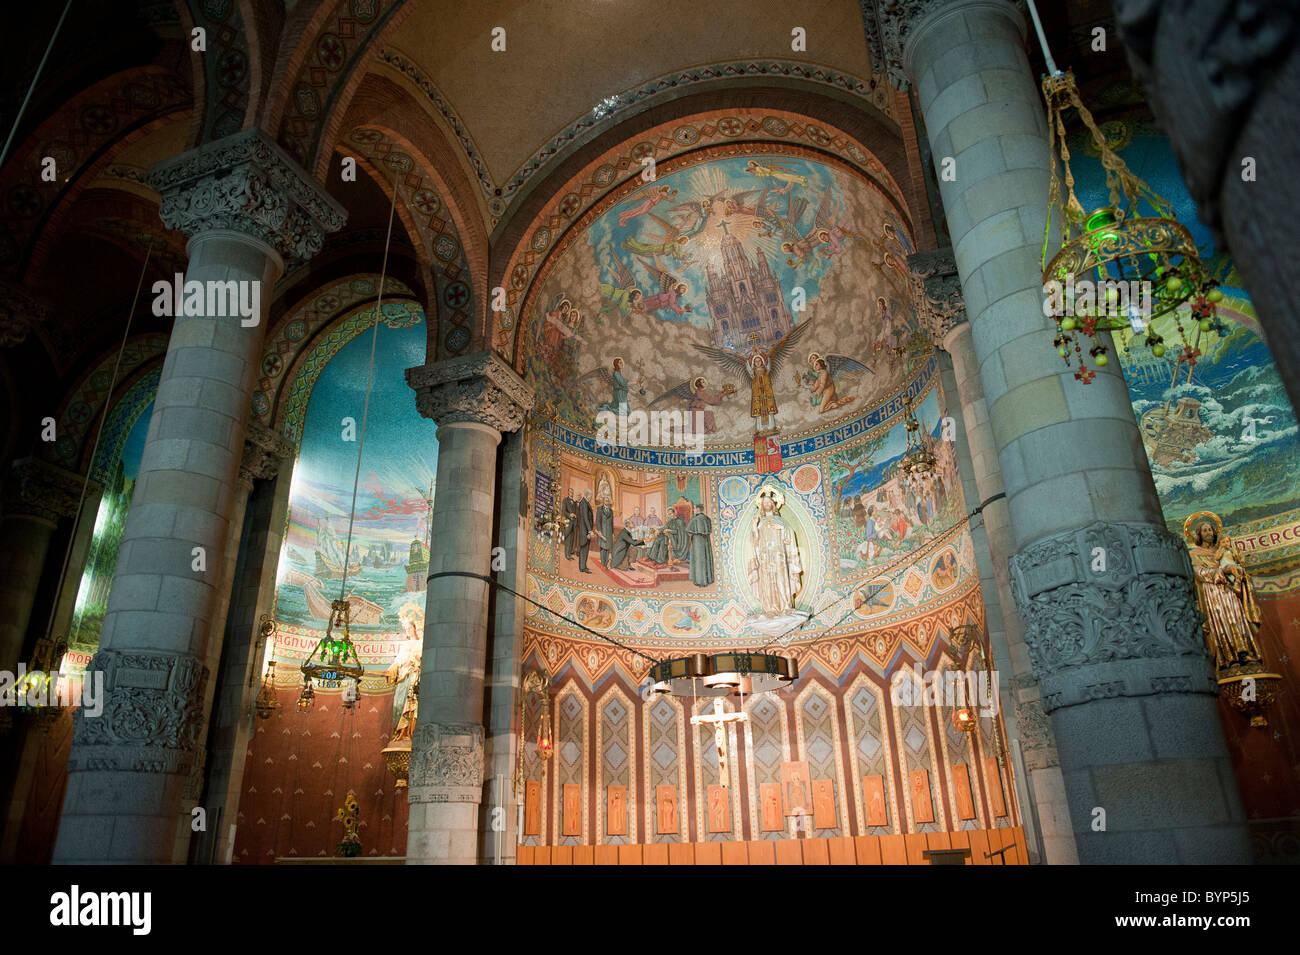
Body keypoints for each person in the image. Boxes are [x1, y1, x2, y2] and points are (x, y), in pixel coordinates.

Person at [1184, 511, 1265, 670]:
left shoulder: (1223, 550)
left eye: (1211, 529)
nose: (1209, 532)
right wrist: (1224, 571)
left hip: (1230, 592)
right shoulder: (1194, 554)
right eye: (1205, 530)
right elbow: (1200, 574)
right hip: (1213, 594)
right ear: (1198, 534)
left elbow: (1237, 567)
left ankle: (1245, 653)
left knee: (1237, 620)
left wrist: (1238, 571)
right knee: (1222, 623)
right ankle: (1229, 657)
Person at [748, 487, 801, 615]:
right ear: (762, 506)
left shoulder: (781, 521)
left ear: (773, 505)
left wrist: (781, 528)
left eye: (769, 502)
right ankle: (769, 608)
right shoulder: (760, 523)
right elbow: (754, 541)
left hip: (779, 556)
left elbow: (789, 536)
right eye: (764, 503)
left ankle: (785, 605)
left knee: (781, 579)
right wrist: (754, 526)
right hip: (765, 557)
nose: (766, 504)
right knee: (767, 581)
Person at [686, 501, 715, 586]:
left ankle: (700, 581)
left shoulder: (695, 519)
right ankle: (708, 579)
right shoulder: (707, 518)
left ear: (698, 509)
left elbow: (688, 531)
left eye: (694, 508)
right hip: (706, 542)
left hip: (697, 542)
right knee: (706, 558)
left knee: (699, 560)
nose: (693, 510)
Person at [575, 489, 595, 573]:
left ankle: (583, 566)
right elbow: (585, 518)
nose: (591, 497)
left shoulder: (585, 503)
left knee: (585, 548)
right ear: (587, 495)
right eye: (591, 495)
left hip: (585, 529)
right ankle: (582, 567)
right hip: (584, 530)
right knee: (584, 548)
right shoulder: (584, 503)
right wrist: (590, 530)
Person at [595, 496, 614, 568]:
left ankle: (605, 563)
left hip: (609, 532)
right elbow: (597, 521)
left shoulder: (611, 511)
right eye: (605, 500)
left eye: (608, 500)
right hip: (602, 532)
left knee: (608, 548)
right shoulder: (599, 509)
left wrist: (612, 533)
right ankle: (603, 564)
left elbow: (612, 522)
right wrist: (599, 531)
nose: (606, 501)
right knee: (603, 548)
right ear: (603, 501)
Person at [561, 487, 577, 560]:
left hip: (573, 523)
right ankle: (567, 555)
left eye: (572, 492)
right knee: (568, 539)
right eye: (570, 491)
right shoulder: (565, 500)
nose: (571, 493)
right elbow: (564, 511)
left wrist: (575, 515)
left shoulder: (573, 502)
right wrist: (569, 515)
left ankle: (569, 554)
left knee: (571, 539)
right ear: (568, 492)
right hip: (568, 522)